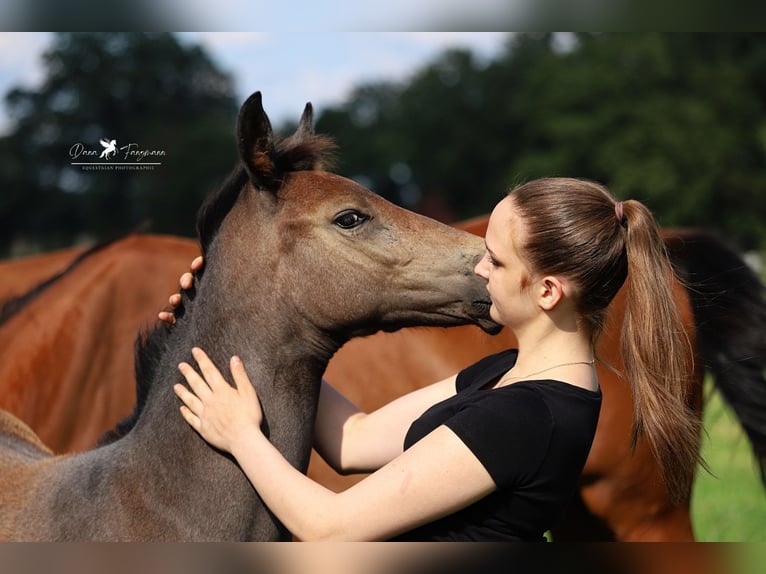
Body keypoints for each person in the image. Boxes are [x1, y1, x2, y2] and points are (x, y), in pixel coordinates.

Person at [162, 177, 699, 541]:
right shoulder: (505, 378)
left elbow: (330, 529)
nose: (478, 269)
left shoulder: (526, 417)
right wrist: (247, 328)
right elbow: (354, 439)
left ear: (547, 291)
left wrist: (241, 437)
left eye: (495, 258)